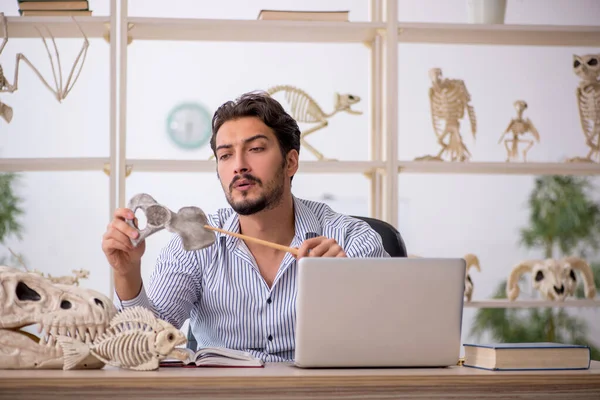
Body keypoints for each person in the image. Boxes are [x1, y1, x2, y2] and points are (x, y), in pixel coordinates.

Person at [101, 91, 389, 362]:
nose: (239, 165)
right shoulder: (194, 244)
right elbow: (143, 348)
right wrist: (126, 273)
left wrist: (348, 285)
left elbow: (390, 341)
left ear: (290, 162)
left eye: (255, 149)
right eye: (225, 155)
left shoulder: (354, 240)